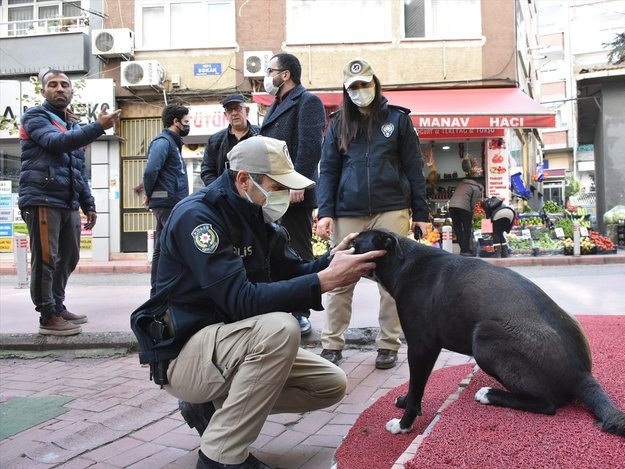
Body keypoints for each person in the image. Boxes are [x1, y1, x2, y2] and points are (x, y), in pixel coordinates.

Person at [135, 135, 384, 469]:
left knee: (328, 384)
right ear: (243, 179)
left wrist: (331, 262)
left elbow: (292, 272)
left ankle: (211, 409)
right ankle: (220, 457)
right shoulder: (198, 217)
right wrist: (323, 282)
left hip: (229, 345)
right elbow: (241, 301)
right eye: (277, 186)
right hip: (185, 354)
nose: (284, 195)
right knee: (280, 329)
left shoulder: (256, 217)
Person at [315, 58, 432, 369]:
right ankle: (332, 344)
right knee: (340, 280)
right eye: (352, 86)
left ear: (375, 83)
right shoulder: (338, 123)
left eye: (364, 84)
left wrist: (421, 212)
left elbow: (413, 168)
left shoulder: (398, 120)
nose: (359, 91)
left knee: (392, 283)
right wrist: (325, 212)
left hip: (392, 208)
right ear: (345, 90)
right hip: (347, 211)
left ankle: (388, 344)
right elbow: (327, 170)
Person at [18, 69, 121, 336]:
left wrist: (88, 203)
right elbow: (55, 143)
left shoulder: (73, 124)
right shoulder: (35, 117)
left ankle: (58, 305)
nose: (59, 88)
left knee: (71, 255)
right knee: (46, 257)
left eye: (65, 85)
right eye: (53, 85)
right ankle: (47, 315)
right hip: (41, 197)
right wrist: (98, 127)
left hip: (67, 201)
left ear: (72, 91)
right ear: (43, 92)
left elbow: (77, 169)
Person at [259, 53, 326, 337]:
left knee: (298, 250)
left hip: (293, 193)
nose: (267, 76)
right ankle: (279, 307)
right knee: (273, 251)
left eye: (270, 70)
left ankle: (301, 311)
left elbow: (311, 146)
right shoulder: (276, 104)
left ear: (285, 74)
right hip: (271, 192)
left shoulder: (307, 101)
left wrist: (298, 184)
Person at [142, 104, 190, 296]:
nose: (188, 125)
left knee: (162, 248)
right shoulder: (163, 142)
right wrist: (148, 192)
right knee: (178, 244)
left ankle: (158, 291)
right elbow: (151, 170)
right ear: (175, 122)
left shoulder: (172, 143)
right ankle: (166, 291)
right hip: (166, 202)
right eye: (186, 121)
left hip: (171, 202)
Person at [200, 93, 260, 186]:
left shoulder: (261, 135)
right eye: (229, 110)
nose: (234, 113)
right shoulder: (215, 141)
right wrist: (219, 191)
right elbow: (207, 171)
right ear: (225, 115)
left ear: (247, 111)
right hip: (226, 196)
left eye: (238, 108)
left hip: (256, 194)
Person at [448, 179, 484, 256]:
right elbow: (473, 203)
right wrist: (472, 215)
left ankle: (463, 249)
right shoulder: (476, 188)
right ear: (481, 189)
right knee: (467, 229)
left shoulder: (462, 184)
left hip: (452, 207)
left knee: (457, 229)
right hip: (464, 208)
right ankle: (465, 251)